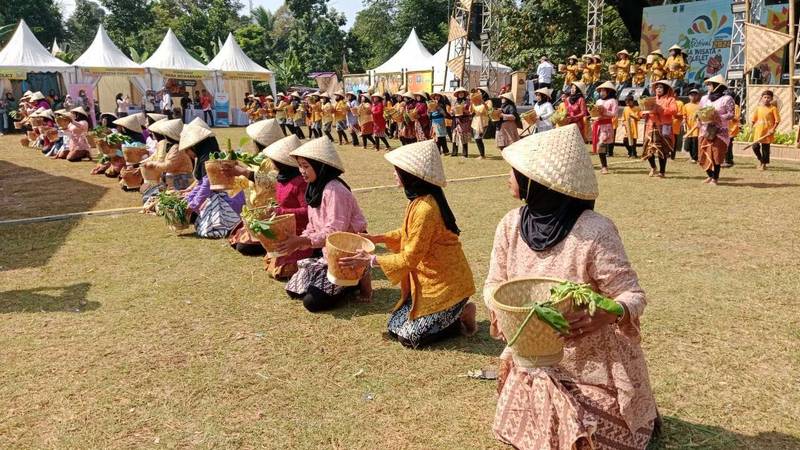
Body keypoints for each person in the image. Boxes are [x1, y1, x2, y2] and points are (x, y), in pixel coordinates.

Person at [485, 124, 658, 450]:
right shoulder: (510, 224)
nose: (509, 176)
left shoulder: (594, 231)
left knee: (590, 434)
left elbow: (632, 295)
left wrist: (610, 313)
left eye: (515, 171)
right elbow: (494, 283)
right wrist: (510, 313)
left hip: (591, 365)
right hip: (533, 355)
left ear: (538, 181)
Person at [339, 140, 478, 348]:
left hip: (447, 287)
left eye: (397, 170)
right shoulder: (417, 201)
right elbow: (407, 234)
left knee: (409, 339)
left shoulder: (425, 209)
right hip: (428, 285)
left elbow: (410, 257)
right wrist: (376, 238)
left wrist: (372, 260)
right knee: (394, 327)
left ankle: (462, 314)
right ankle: (449, 317)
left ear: (410, 174)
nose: (394, 174)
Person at [280, 138, 369, 312]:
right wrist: (300, 239)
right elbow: (313, 225)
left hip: (345, 256)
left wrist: (302, 242)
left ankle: (353, 282)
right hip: (328, 253)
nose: (301, 171)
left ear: (320, 166)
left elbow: (336, 232)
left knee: (312, 303)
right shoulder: (315, 188)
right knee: (294, 289)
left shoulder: (335, 191)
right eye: (300, 166)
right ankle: (337, 281)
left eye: (306, 166)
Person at [697, 75, 734, 184]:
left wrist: (719, 117)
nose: (708, 86)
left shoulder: (727, 99)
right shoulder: (704, 98)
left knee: (716, 154)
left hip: (720, 131)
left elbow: (731, 114)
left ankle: (715, 178)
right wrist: (699, 117)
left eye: (710, 84)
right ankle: (710, 174)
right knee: (702, 154)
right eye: (708, 84)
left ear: (717, 86)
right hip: (705, 130)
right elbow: (700, 111)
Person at [141, 118, 192, 192]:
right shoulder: (174, 146)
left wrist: (153, 164)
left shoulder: (177, 148)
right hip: (177, 180)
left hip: (181, 181)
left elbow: (168, 166)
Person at [642, 80, 677, 177]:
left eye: (661, 87)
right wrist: (644, 113)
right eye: (657, 87)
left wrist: (661, 109)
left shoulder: (670, 99)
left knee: (662, 150)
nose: (658, 89)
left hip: (663, 127)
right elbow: (644, 111)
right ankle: (653, 167)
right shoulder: (651, 99)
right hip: (651, 126)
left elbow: (674, 110)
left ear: (665, 89)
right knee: (648, 148)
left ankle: (662, 172)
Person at [748, 90, 780, 171]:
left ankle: (764, 164)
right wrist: (751, 127)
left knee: (765, 148)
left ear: (771, 99)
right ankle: (760, 159)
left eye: (768, 98)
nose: (766, 99)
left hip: (767, 132)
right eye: (765, 97)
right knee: (755, 146)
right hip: (759, 131)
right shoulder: (758, 108)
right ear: (761, 98)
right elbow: (753, 119)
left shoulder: (773, 108)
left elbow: (777, 121)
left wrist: (773, 129)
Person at [592, 81, 619, 174]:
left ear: (609, 92)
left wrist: (604, 112)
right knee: (601, 146)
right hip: (598, 125)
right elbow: (595, 113)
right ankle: (604, 166)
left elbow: (614, 114)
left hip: (606, 125)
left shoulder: (613, 101)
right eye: (600, 91)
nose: (601, 93)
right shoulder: (598, 101)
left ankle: (604, 166)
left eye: (604, 91)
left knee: (601, 144)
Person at [450, 87, 472, 157]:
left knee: (463, 137)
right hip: (455, 121)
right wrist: (452, 112)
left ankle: (465, 154)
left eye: (462, 93)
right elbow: (452, 111)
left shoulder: (468, 101)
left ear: (464, 94)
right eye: (459, 93)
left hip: (464, 121)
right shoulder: (455, 102)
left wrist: (463, 110)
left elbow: (470, 112)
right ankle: (454, 152)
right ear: (457, 94)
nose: (461, 94)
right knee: (454, 136)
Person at [470, 88, 491, 158]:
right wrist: (471, 102)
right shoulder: (474, 102)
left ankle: (482, 155)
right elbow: (471, 111)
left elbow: (490, 110)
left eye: (478, 92)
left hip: (483, 120)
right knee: (476, 138)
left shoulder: (488, 101)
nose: (477, 93)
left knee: (478, 137)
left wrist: (483, 103)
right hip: (476, 120)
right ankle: (482, 154)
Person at [682, 89, 701, 163]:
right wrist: (684, 122)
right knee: (688, 145)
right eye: (691, 95)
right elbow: (684, 115)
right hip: (688, 127)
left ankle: (694, 158)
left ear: (697, 96)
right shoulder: (686, 106)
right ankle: (692, 156)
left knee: (694, 143)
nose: (693, 96)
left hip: (696, 127)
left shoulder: (699, 106)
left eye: (695, 95)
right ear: (689, 96)